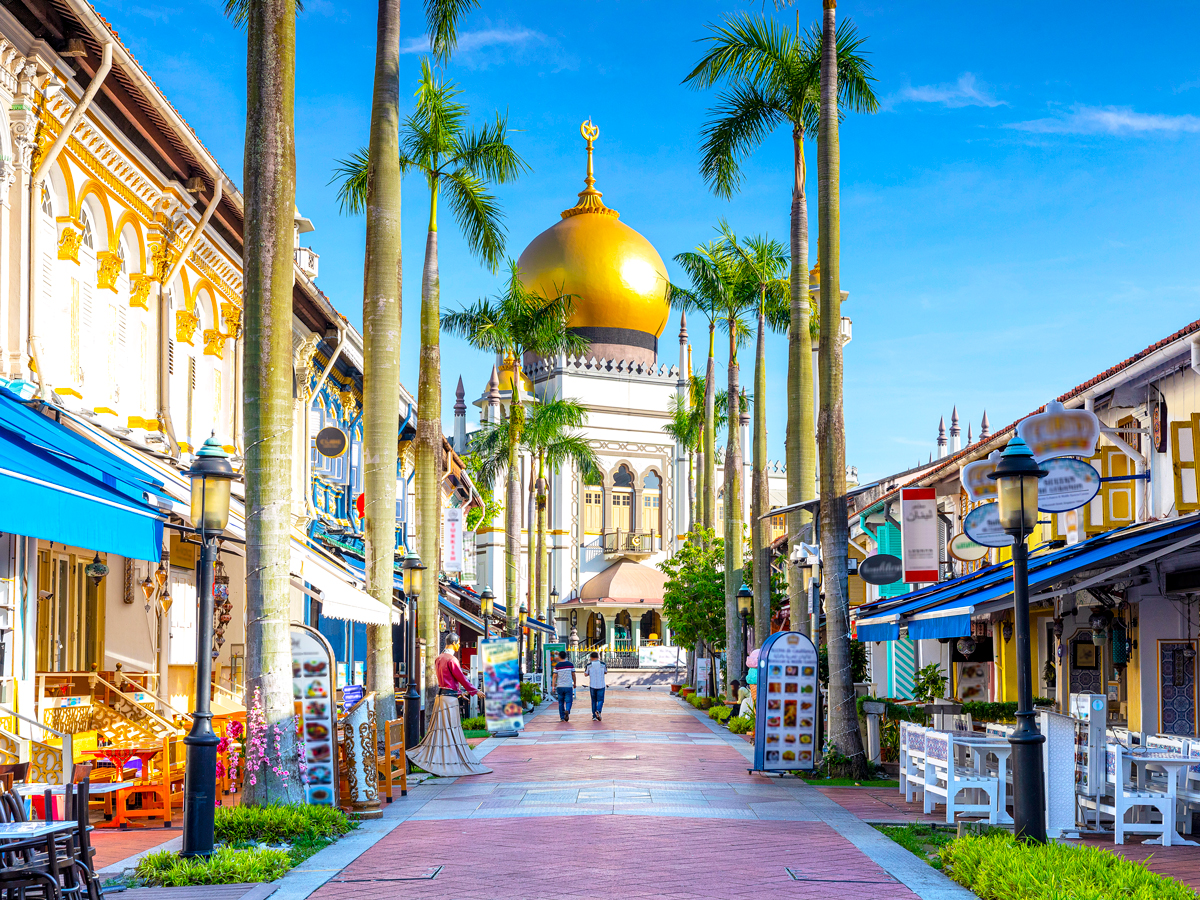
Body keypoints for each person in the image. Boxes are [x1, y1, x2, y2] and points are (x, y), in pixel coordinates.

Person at [406, 636, 492, 776]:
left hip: (441, 698)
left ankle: (440, 761)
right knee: (451, 730)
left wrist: (460, 692)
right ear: (453, 643)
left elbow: (447, 680)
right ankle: (449, 763)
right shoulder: (452, 660)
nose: (458, 646)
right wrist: (474, 691)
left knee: (441, 731)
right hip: (449, 701)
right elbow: (461, 678)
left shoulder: (439, 658)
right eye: (458, 643)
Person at [554, 650, 576, 722]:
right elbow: (573, 674)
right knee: (569, 701)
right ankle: (567, 710)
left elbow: (554, 676)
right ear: (566, 656)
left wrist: (553, 686)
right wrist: (575, 683)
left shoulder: (557, 666)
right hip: (568, 685)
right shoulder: (570, 664)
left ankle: (562, 717)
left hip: (560, 686)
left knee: (561, 702)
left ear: (559, 657)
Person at [585, 651, 607, 721]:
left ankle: (594, 716)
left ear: (591, 657)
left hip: (592, 685)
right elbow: (605, 672)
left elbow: (585, 674)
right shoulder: (603, 664)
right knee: (600, 700)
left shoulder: (589, 665)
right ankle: (598, 710)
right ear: (598, 657)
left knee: (593, 700)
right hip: (601, 685)